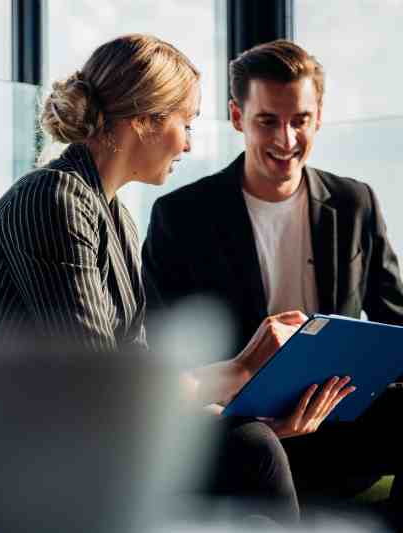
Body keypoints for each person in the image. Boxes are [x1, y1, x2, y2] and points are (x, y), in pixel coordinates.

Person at [0, 34, 354, 525]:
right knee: (250, 450)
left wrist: (244, 393)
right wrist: (243, 376)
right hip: (20, 455)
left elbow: (138, 380)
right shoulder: (53, 200)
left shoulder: (114, 216)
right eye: (184, 123)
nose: (188, 142)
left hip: (88, 439)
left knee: (251, 440)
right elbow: (108, 391)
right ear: (144, 120)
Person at [141, 39, 403, 518]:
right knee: (250, 445)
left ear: (318, 115)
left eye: (300, 120)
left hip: (342, 424)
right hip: (246, 436)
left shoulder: (355, 202)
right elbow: (166, 356)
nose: (286, 140)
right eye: (267, 122)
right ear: (238, 117)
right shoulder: (181, 217)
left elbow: (396, 320)